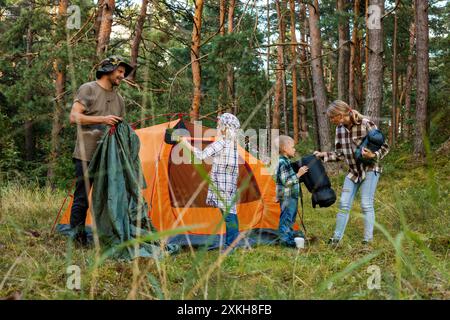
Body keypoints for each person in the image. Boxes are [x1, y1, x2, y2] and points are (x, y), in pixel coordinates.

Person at [69, 56, 133, 246]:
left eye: (123, 72)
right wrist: (102, 119)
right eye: (119, 71)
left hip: (109, 159)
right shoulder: (88, 89)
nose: (122, 76)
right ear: (108, 70)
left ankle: (105, 238)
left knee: (108, 199)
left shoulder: (119, 99)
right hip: (86, 155)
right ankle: (78, 239)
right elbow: (74, 117)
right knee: (82, 198)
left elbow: (119, 128)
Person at [313, 100, 390, 245]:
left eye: (332, 117)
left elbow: (385, 146)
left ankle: (368, 241)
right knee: (343, 203)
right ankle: (336, 239)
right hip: (353, 172)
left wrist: (373, 156)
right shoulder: (339, 130)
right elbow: (340, 154)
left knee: (366, 204)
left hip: (370, 170)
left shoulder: (366, 123)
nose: (331, 120)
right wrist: (323, 155)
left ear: (340, 114)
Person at [179, 113, 241, 253]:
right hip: (230, 185)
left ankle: (230, 246)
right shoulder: (233, 144)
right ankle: (231, 243)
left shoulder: (221, 143)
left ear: (225, 128)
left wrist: (185, 144)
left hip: (221, 185)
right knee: (230, 213)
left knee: (229, 215)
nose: (217, 127)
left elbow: (201, 155)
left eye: (219, 125)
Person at [274, 135, 309, 247]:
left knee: (290, 218)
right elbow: (286, 181)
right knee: (286, 219)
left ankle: (288, 237)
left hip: (290, 196)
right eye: (292, 147)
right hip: (287, 197)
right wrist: (299, 174)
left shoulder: (286, 161)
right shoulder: (282, 162)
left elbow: (278, 181)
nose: (294, 149)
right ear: (284, 148)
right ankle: (284, 241)